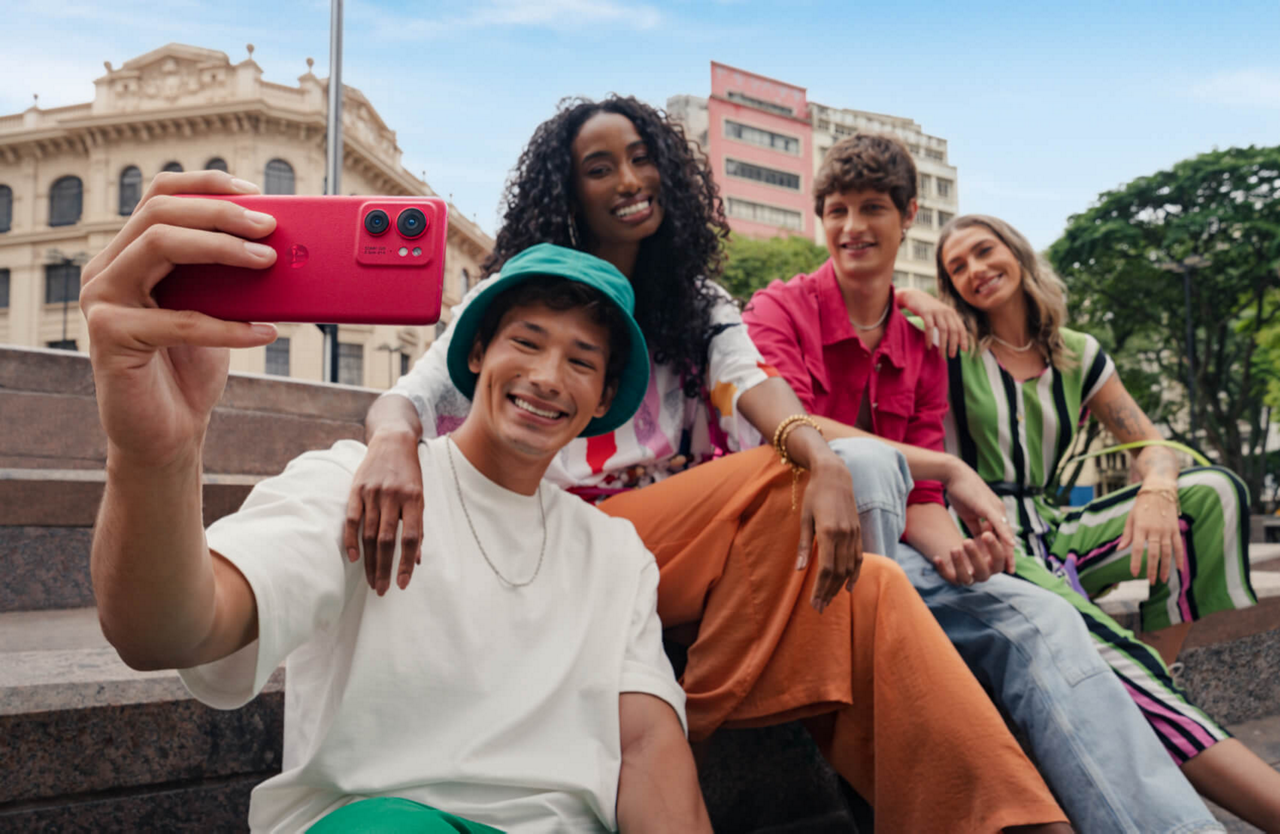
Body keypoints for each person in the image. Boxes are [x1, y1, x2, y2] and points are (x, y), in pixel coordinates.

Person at [351, 95, 1069, 832]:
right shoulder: (521, 293)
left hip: (672, 557)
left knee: (871, 587)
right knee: (793, 480)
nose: (630, 180)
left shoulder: (697, 303)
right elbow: (409, 397)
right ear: (568, 190)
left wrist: (822, 457)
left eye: (642, 159)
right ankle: (694, 707)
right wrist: (390, 443)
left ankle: (1015, 824)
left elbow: (749, 383)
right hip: (557, 536)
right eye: (600, 168)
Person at [84, 172, 712, 834]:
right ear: (476, 351)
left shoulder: (616, 553)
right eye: (526, 342)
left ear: (604, 397)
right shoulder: (352, 483)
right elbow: (170, 631)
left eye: (581, 362)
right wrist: (156, 456)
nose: (547, 377)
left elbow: (648, 746)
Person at [744, 132, 1228, 834]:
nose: (852, 228)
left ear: (908, 216)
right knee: (865, 467)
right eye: (837, 211)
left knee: (1046, 616)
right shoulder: (778, 309)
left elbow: (921, 502)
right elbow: (792, 427)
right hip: (797, 550)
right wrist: (950, 467)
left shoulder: (922, 341)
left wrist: (961, 554)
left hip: (896, 555)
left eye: (872, 208)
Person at [936, 212, 1280, 831]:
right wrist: (913, 299)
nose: (975, 271)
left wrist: (1158, 487)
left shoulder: (1077, 354)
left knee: (1213, 492)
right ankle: (1151, 701)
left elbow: (1152, 444)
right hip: (984, 535)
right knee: (1094, 642)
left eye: (984, 251)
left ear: (1017, 253)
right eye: (956, 267)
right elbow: (880, 317)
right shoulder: (950, 345)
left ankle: (1152, 681)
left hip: (1053, 526)